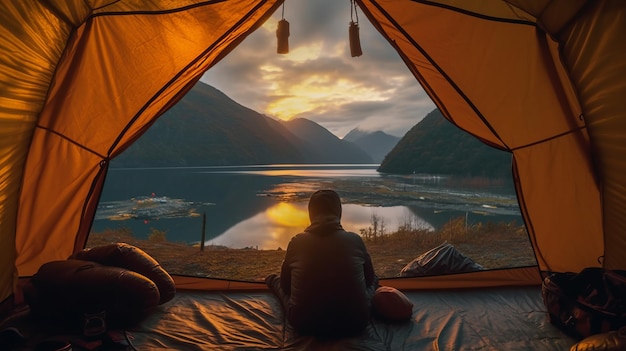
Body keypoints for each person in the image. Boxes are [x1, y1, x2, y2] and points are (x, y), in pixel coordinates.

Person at [265, 189, 379, 338]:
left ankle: (271, 280)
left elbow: (286, 288)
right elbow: (369, 280)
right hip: (356, 323)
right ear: (339, 213)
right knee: (375, 280)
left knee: (279, 286)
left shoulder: (297, 242)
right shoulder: (355, 240)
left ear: (311, 214)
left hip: (304, 324)